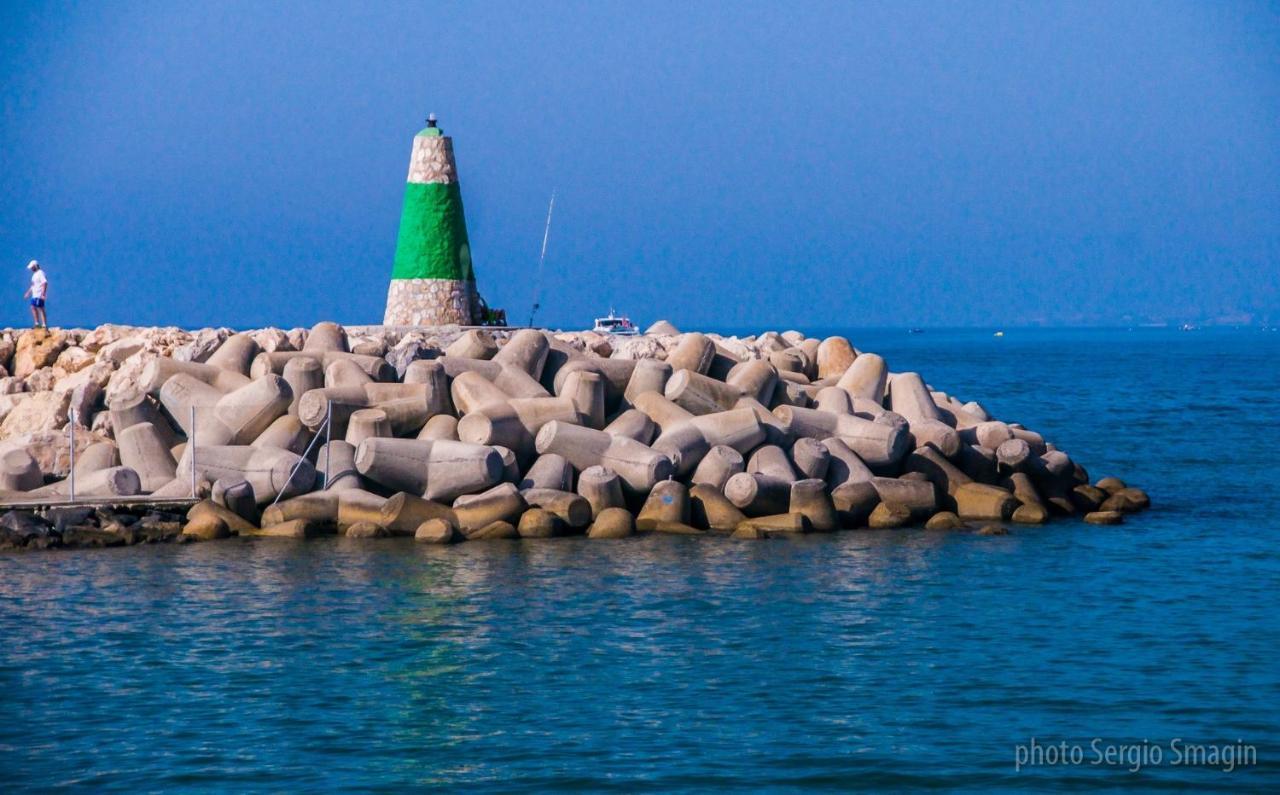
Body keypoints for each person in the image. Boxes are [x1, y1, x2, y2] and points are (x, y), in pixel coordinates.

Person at [24, 260, 48, 328]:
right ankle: (37, 323)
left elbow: (45, 283)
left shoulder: (41, 273)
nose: (31, 269)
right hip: (34, 295)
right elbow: (33, 285)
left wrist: (43, 294)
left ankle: (44, 324)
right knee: (33, 307)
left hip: (39, 294)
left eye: (32, 267)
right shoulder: (34, 275)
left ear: (35, 266)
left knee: (40, 308)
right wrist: (28, 293)